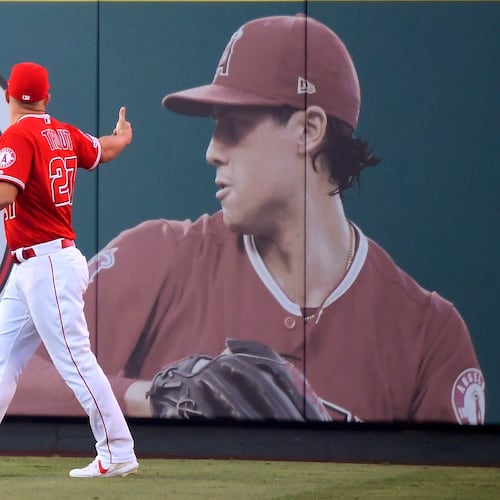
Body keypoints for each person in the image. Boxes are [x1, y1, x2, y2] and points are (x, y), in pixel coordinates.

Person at [8, 15, 485, 424]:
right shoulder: (157, 258)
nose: (213, 152)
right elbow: (15, 366)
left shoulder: (430, 336)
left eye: (232, 127)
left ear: (308, 130)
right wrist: (153, 398)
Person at [0, 62, 139, 478]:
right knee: (2, 360)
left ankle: (117, 450)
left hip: (47, 266)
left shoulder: (17, 134)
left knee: (75, 361)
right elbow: (104, 150)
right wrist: (122, 137)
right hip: (34, 266)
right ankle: (116, 449)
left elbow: (5, 191)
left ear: (10, 99)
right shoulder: (64, 132)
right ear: (47, 97)